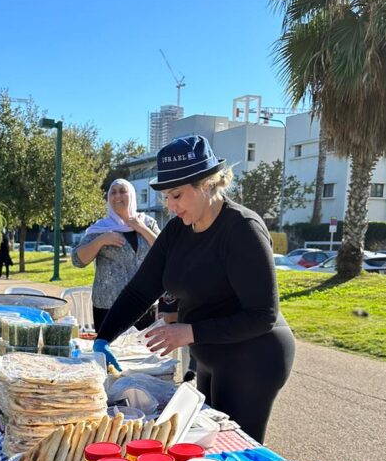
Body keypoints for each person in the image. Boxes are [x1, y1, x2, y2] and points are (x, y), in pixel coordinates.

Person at [94, 135, 295, 443]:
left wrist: (190, 333)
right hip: (211, 355)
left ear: (207, 183)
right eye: (166, 198)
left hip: (255, 356)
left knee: (234, 452)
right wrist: (104, 337)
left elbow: (263, 315)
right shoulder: (177, 231)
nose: (171, 207)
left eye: (176, 195)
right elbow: (140, 290)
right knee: (205, 445)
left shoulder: (242, 229)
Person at [72, 179, 160, 331]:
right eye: (113, 192)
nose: (117, 195)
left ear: (131, 195)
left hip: (145, 303)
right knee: (110, 352)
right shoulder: (101, 228)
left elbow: (164, 252)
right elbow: (77, 260)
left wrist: (141, 228)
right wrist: (101, 240)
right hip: (108, 306)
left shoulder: (147, 223)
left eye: (122, 191)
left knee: (144, 351)